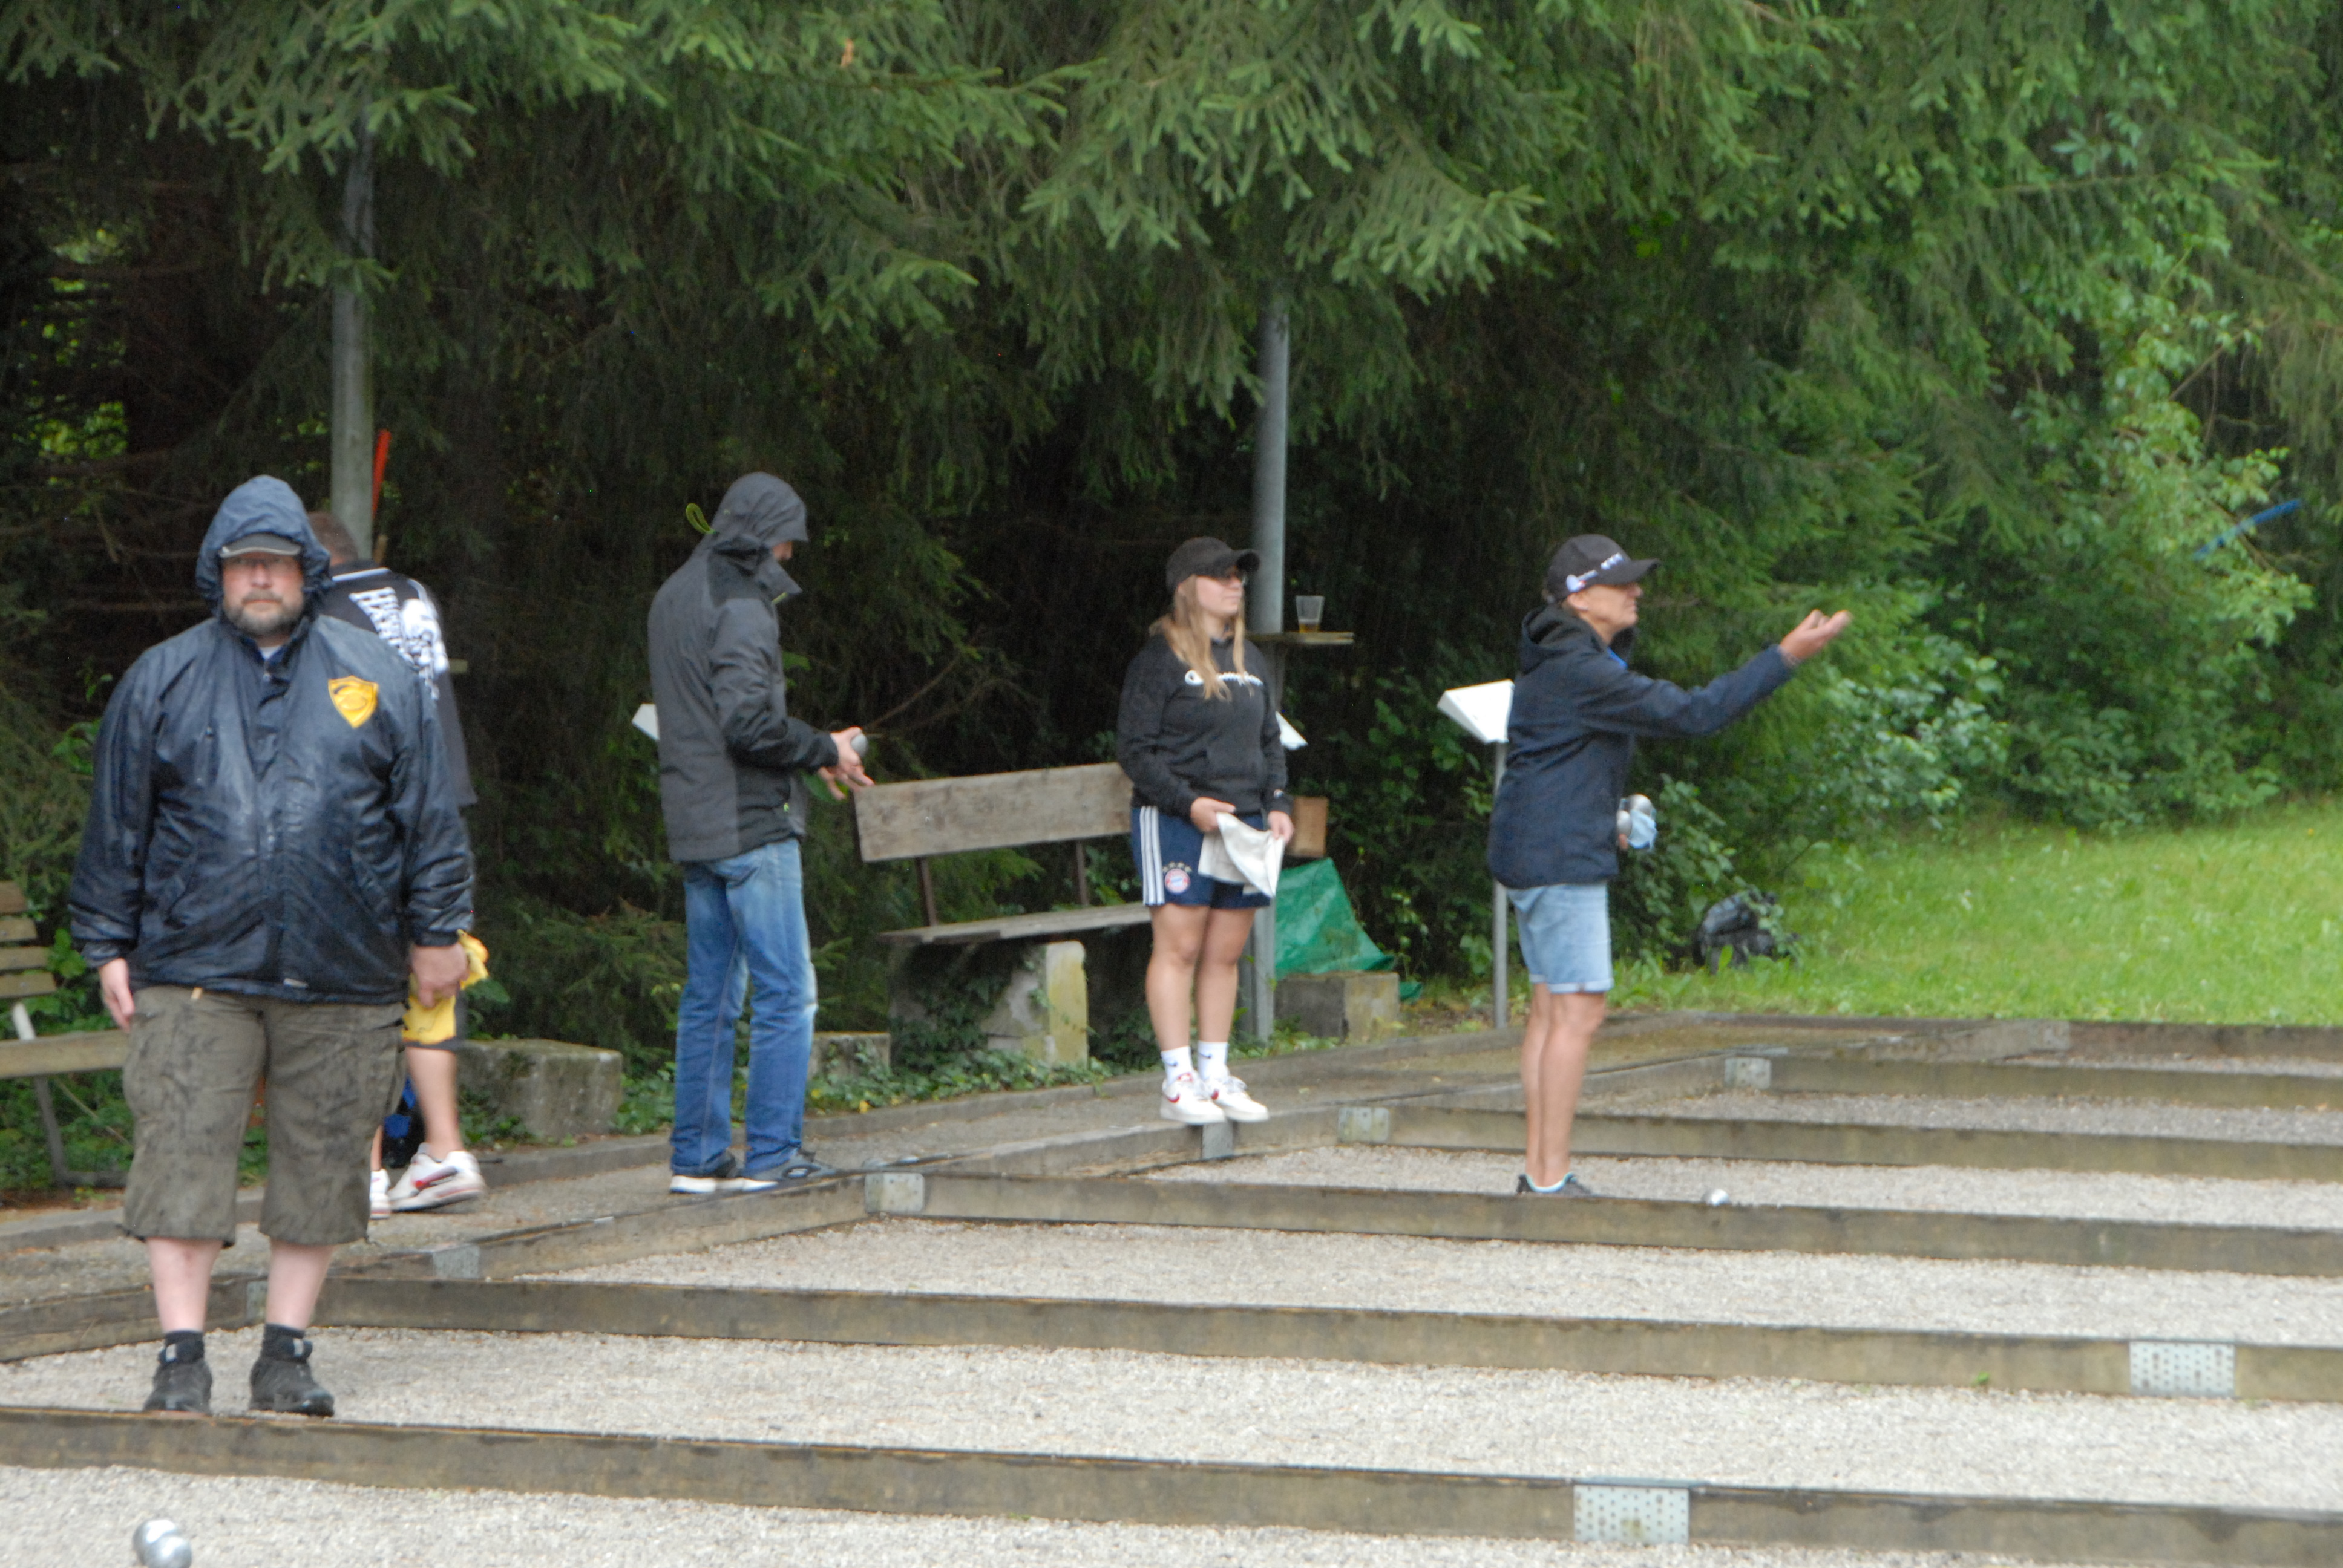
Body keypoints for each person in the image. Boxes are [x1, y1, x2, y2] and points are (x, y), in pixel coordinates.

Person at [68, 477, 473, 1417]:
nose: (260, 578)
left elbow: (429, 818)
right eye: (243, 563)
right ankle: (181, 1356)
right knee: (180, 1156)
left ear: (308, 572)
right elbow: (116, 823)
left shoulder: (381, 676)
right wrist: (106, 942)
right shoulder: (161, 678)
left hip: (344, 966)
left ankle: (285, 1353)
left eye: (277, 563)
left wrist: (437, 931)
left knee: (324, 1164)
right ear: (217, 573)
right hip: (190, 969)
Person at [1487, 534, 1848, 1197]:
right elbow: (1694, 713)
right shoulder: (1581, 668)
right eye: (1620, 582)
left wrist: (1607, 817)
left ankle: (1540, 1174)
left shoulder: (1561, 658)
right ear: (1578, 598)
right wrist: (1784, 658)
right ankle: (1548, 1180)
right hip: (1559, 859)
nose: (1637, 591)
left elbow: (1559, 763)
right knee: (1577, 1013)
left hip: (1540, 847)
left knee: (1549, 1011)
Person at [647, 472, 871, 1195]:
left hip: (695, 823)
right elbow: (747, 725)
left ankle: (697, 1158)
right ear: (762, 534)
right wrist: (824, 746)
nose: (790, 555)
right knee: (786, 993)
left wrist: (813, 749)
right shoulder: (742, 604)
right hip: (749, 824)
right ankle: (774, 1155)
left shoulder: (672, 594)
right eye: (786, 540)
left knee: (709, 998)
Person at [308, 509, 486, 1217]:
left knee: (354, 987)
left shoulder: (321, 610)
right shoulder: (411, 593)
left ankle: (364, 1171)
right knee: (430, 982)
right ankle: (444, 1151)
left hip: (368, 813)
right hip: (441, 802)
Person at [1117, 537, 1295, 1126]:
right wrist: (1188, 804)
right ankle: (1178, 1082)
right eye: (1221, 575)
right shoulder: (1159, 659)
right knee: (1181, 949)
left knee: (1224, 954)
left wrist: (1276, 802)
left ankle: (1215, 1075)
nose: (1235, 583)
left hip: (1243, 826)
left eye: (1239, 574)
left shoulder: (1251, 660)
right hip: (1175, 821)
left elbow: (1270, 740)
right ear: (1187, 587)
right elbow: (1135, 751)